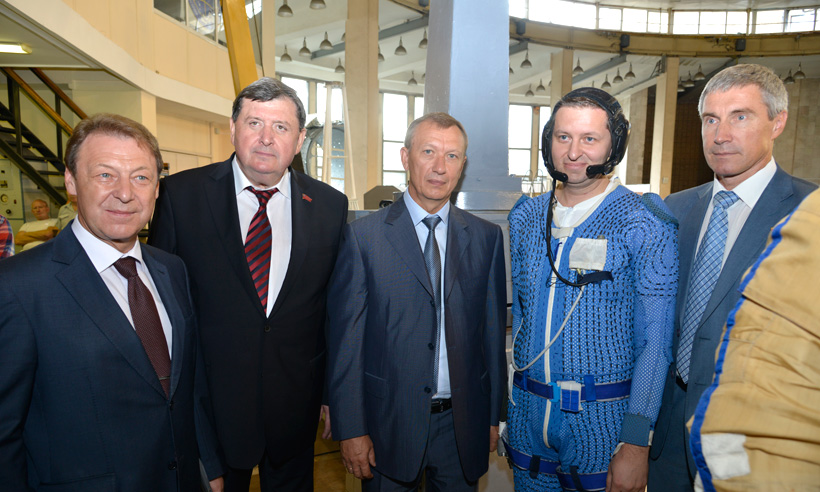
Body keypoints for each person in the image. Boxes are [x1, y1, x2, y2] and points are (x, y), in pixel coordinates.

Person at [0, 113, 224, 491]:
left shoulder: (173, 270)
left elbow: (189, 386)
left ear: (156, 189)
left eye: (141, 177)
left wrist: (210, 468)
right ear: (71, 182)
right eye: (105, 175)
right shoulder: (17, 286)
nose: (125, 193)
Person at [149, 77, 348, 492]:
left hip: (296, 406)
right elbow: (162, 306)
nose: (266, 138)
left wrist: (333, 392)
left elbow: (332, 309)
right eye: (254, 123)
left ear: (299, 140)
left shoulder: (330, 206)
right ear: (233, 128)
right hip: (211, 408)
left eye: (281, 127)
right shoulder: (180, 196)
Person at [648, 63, 817, 491]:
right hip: (667, 434)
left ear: (777, 123)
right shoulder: (676, 208)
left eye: (740, 117)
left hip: (751, 435)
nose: (720, 135)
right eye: (711, 119)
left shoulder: (809, 214)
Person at [504, 87, 678, 492]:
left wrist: (636, 441)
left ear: (613, 145)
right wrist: (505, 408)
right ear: (548, 141)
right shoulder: (526, 216)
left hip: (602, 422)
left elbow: (655, 344)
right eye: (563, 137)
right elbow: (523, 318)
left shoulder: (643, 220)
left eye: (589, 139)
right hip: (527, 415)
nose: (573, 152)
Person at [326, 112, 507, 491]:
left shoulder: (486, 238)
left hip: (462, 426)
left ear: (462, 164)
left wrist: (494, 416)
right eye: (429, 152)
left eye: (452, 156)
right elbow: (346, 344)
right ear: (405, 157)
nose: (440, 167)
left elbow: (490, 336)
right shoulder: (363, 238)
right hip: (387, 425)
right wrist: (351, 427)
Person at [688, 188, 820, 492]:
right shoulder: (678, 204)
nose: (720, 138)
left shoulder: (804, 203)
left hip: (769, 450)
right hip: (673, 420)